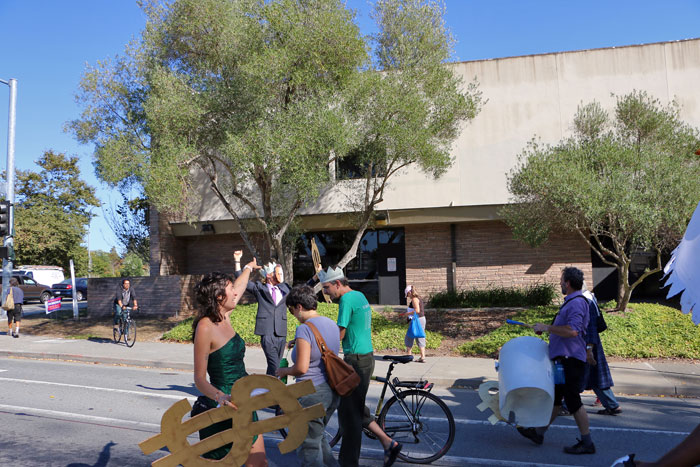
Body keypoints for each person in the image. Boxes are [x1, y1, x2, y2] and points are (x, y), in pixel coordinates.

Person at [319, 266, 402, 467]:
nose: (326, 293)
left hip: (355, 360)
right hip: (366, 357)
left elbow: (340, 333)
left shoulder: (346, 300)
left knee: (349, 418)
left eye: (327, 288)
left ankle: (349, 463)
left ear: (337, 283)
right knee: (355, 408)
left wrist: (319, 347)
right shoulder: (359, 295)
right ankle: (387, 442)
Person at [192, 262, 267, 465]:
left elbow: (240, 286)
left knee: (259, 463)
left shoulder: (225, 316)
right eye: (230, 290)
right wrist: (220, 397)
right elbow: (199, 378)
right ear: (218, 296)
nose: (236, 293)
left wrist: (248, 269)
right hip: (223, 405)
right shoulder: (205, 326)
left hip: (244, 400)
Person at [516, 267, 595, 455]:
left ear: (567, 283)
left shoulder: (576, 303)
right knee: (556, 400)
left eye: (561, 280)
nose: (560, 283)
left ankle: (587, 443)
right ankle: (538, 433)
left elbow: (572, 331)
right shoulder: (572, 302)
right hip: (564, 359)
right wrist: (547, 329)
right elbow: (566, 329)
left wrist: (548, 327)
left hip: (571, 360)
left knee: (573, 400)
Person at [275, 285, 341, 467]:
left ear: (299, 307)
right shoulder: (331, 324)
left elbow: (301, 368)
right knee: (318, 438)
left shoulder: (304, 329)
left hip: (311, 392)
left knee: (308, 446)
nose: (292, 314)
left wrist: (284, 371)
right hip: (332, 390)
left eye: (291, 310)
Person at [234, 250, 290, 377]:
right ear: (268, 276)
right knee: (275, 364)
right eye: (275, 272)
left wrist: (316, 277)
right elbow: (241, 280)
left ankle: (268, 391)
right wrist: (237, 261)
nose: (278, 275)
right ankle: (275, 391)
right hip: (267, 332)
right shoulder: (260, 288)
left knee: (274, 366)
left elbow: (301, 291)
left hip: (281, 332)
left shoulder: (285, 288)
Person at [582, 283, 622, 416]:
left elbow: (591, 326)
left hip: (586, 344)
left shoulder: (584, 300)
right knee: (595, 376)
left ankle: (566, 405)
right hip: (590, 343)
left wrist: (589, 349)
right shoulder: (589, 297)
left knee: (575, 377)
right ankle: (612, 405)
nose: (560, 284)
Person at [399, 285, 426, 362]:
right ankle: (422, 357)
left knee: (409, 337)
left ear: (410, 292)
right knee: (420, 337)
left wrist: (406, 314)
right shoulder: (418, 298)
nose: (407, 296)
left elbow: (417, 310)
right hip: (421, 319)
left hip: (417, 320)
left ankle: (409, 355)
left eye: (407, 294)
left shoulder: (414, 299)